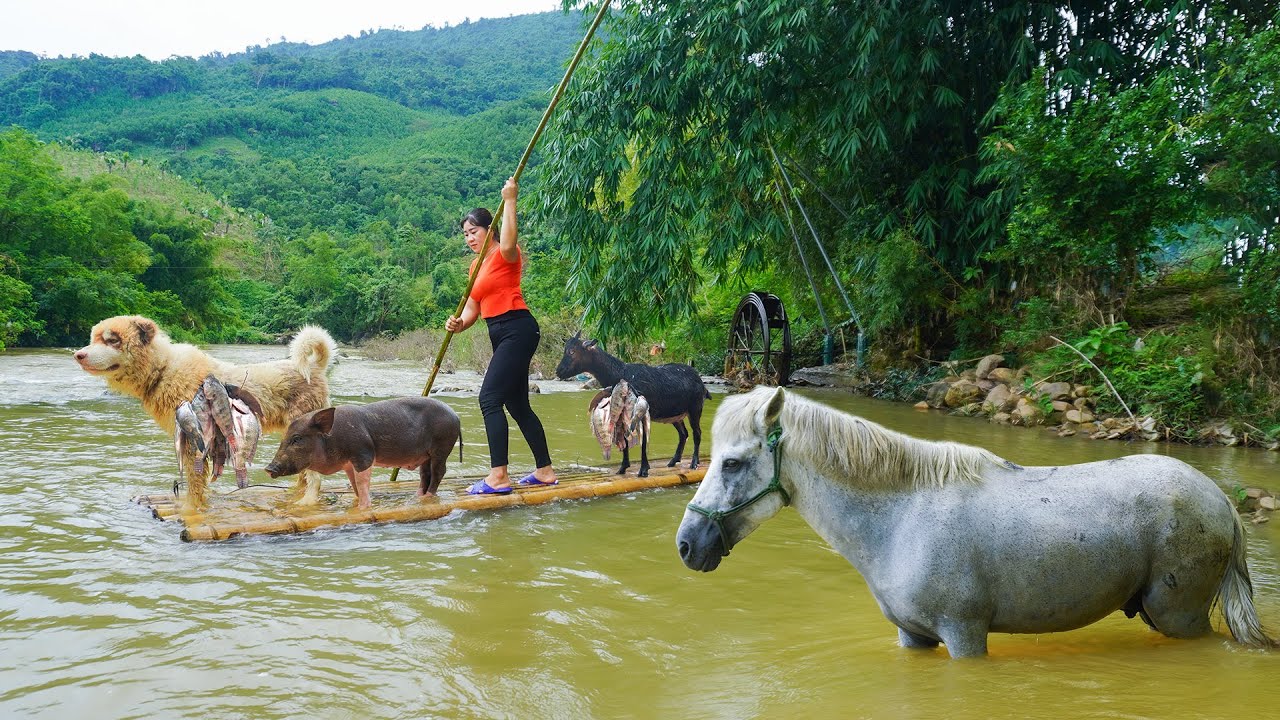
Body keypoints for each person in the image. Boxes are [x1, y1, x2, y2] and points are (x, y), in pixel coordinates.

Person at [446, 177, 558, 494]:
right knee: (518, 405)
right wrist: (459, 324)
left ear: (489, 229)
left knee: (489, 399)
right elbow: (472, 309)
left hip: (518, 328)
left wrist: (511, 200)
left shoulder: (505, 254)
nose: (469, 238)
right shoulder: (474, 268)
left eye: (474, 232)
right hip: (500, 333)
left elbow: (508, 242)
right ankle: (545, 471)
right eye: (465, 234)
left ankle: (498, 476)